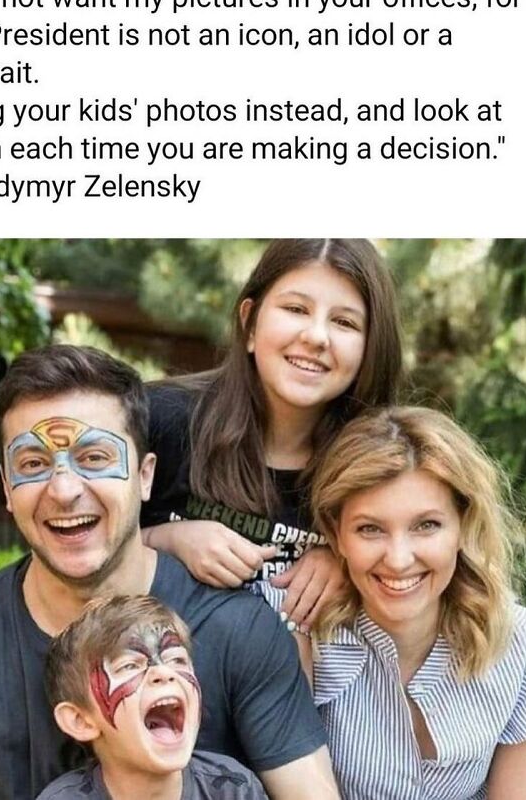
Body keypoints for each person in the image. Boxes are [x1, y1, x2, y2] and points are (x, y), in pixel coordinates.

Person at [0, 345, 337, 800]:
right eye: (33, 464)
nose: (65, 490)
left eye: (94, 458)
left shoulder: (238, 628)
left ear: (145, 476)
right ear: (7, 489)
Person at [259, 406, 526, 800]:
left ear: (463, 524)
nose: (398, 559)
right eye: (370, 529)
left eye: (426, 525)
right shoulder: (297, 625)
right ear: (335, 533)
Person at [141, 238, 402, 631]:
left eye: (344, 322)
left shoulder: (381, 463)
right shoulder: (161, 418)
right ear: (249, 322)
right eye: (296, 309)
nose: (317, 337)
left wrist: (349, 560)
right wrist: (168, 539)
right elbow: (79, 545)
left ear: (371, 347)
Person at [37, 594, 268, 800]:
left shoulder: (233, 788)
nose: (163, 672)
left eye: (176, 659)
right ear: (80, 720)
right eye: (128, 666)